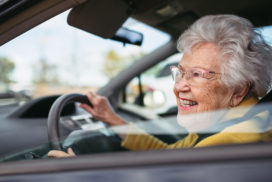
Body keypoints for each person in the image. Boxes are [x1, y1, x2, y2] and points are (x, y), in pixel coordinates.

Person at [48, 14, 272, 157]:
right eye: (180, 73)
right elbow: (170, 156)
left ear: (238, 90)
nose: (178, 87)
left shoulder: (231, 141)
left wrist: (77, 175)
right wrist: (112, 119)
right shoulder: (224, 120)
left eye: (196, 75)